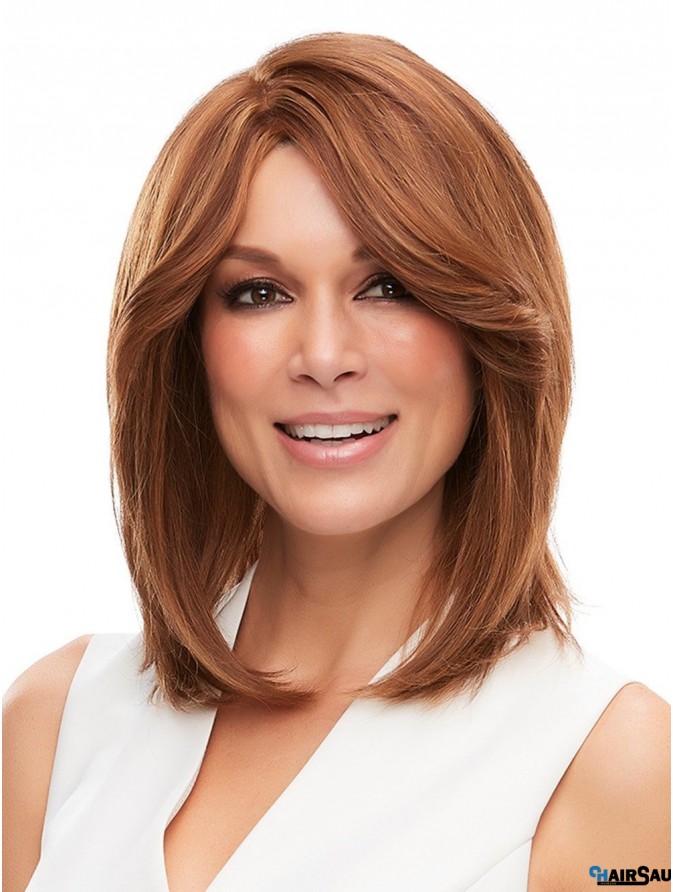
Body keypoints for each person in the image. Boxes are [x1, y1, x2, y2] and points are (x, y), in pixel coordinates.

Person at [3, 32, 669, 892]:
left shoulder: (612, 764)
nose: (323, 355)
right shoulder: (55, 726)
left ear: (488, 331)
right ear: (188, 344)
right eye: (259, 293)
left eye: (388, 285)